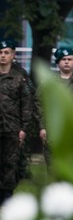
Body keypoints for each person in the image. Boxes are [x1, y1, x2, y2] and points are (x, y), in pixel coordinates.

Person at [0, 39, 31, 204]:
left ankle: (7, 198)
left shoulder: (21, 75)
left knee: (9, 163)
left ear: (13, 55)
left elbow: (26, 102)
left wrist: (24, 128)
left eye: (6, 52)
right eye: (0, 52)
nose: (3, 56)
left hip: (12, 127)